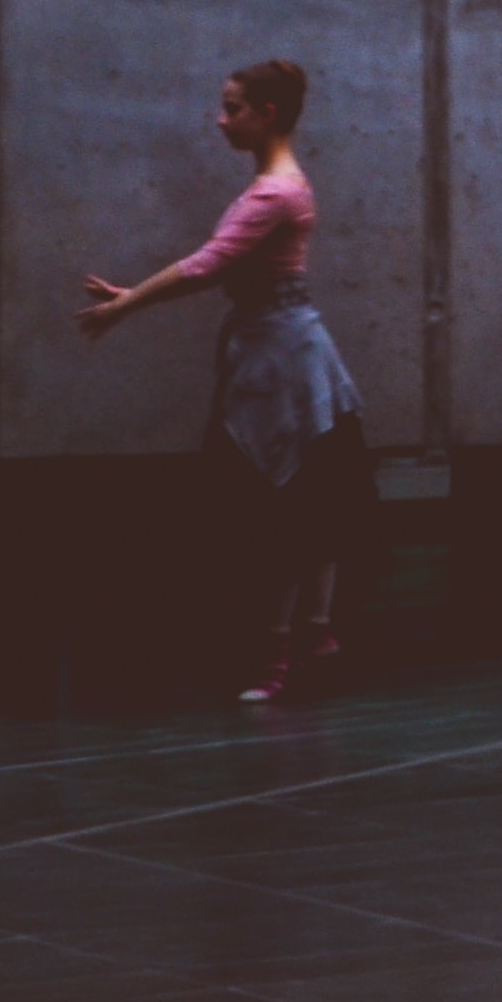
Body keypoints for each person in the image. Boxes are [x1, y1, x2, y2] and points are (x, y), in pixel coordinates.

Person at [76, 59, 368, 707]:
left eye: (232, 107)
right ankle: (309, 636)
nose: (220, 118)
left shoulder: (276, 192)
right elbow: (223, 263)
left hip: (282, 360)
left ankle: (281, 655)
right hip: (280, 349)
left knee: (286, 502)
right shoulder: (276, 184)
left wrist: (126, 307)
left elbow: (208, 264)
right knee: (306, 499)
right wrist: (132, 296)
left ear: (265, 115)